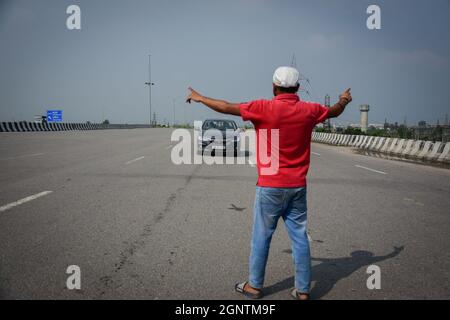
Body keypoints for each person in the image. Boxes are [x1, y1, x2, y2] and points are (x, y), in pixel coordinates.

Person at [186, 66, 352, 300]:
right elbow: (334, 111)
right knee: (299, 238)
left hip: (270, 186)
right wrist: (343, 100)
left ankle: (254, 286)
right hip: (297, 187)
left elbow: (225, 106)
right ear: (297, 88)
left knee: (262, 237)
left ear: (274, 87)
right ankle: (303, 290)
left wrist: (200, 98)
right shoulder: (310, 110)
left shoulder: (263, 107)